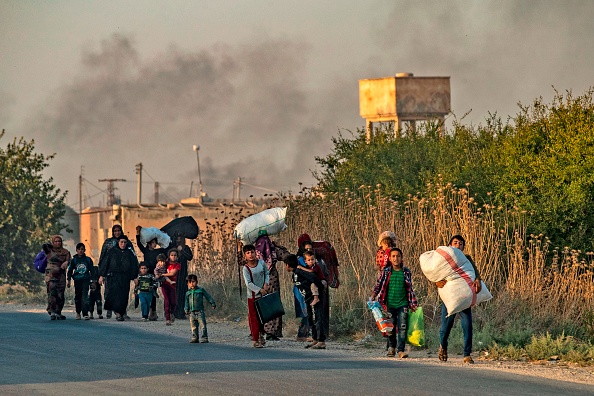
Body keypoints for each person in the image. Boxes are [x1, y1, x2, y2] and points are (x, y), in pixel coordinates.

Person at [436, 234, 482, 364]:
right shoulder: (444, 260)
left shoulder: (466, 259)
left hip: (463, 297)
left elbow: (475, 272)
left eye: (461, 244)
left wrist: (478, 280)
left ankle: (467, 354)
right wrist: (436, 282)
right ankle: (443, 347)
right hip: (449, 297)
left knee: (467, 325)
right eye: (455, 243)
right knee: (446, 327)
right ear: (449, 245)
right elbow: (435, 273)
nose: (458, 245)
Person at [371, 247, 418, 358]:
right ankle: (392, 347)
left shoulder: (406, 272)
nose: (396, 258)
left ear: (401, 258)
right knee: (390, 327)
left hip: (403, 304)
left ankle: (400, 350)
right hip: (389, 305)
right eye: (393, 256)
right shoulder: (386, 272)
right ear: (390, 259)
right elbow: (379, 284)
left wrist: (413, 304)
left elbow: (410, 289)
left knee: (402, 327)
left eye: (398, 256)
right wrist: (373, 295)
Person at [284, 254, 327, 349]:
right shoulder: (295, 273)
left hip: (314, 297)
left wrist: (319, 288)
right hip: (307, 299)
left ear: (287, 265)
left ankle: (321, 341)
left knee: (317, 318)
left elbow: (313, 277)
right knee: (311, 319)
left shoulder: (300, 272)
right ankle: (315, 338)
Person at [99, 235, 139, 321]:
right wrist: (102, 275)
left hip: (125, 277)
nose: (123, 244)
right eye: (121, 242)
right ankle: (117, 314)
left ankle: (121, 312)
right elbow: (105, 263)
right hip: (113, 277)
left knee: (123, 295)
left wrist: (135, 277)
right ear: (118, 242)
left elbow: (134, 265)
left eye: (125, 242)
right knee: (114, 294)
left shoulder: (129, 253)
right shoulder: (112, 252)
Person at [254, 232, 283, 340]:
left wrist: (239, 248)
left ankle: (262, 330)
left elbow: (242, 261)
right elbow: (286, 256)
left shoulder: (254, 252)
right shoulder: (273, 249)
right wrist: (278, 245)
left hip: (259, 281)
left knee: (263, 306)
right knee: (274, 305)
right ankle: (273, 332)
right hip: (272, 280)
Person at [241, 244, 270, 348]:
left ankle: (261, 335)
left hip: (263, 294)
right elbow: (248, 283)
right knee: (254, 318)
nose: (251, 255)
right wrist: (259, 290)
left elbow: (267, 273)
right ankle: (255, 339)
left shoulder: (261, 263)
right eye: (248, 253)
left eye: (252, 252)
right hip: (253, 296)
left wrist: (266, 284)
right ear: (245, 256)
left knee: (262, 317)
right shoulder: (246, 269)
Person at [136, 225, 167, 321]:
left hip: (155, 275)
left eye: (155, 242)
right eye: (153, 242)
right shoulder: (146, 251)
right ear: (149, 243)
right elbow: (139, 244)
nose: (155, 244)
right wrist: (138, 234)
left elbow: (165, 247)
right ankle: (147, 311)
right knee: (145, 292)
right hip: (146, 275)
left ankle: (153, 311)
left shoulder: (159, 251)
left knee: (153, 292)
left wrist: (162, 234)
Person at [184, 274, 216, 343]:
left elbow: (208, 297)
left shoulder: (201, 290)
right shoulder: (188, 293)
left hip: (200, 311)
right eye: (190, 282)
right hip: (192, 312)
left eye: (193, 282)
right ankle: (195, 337)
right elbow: (186, 302)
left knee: (203, 325)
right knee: (193, 326)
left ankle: (204, 338)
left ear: (197, 282)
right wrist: (186, 309)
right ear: (187, 284)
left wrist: (212, 303)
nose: (192, 284)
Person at [45, 235, 71, 320]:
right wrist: (50, 244)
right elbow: (44, 246)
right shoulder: (49, 250)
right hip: (51, 275)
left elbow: (69, 260)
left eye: (59, 241)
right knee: (52, 293)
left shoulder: (65, 252)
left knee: (60, 294)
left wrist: (66, 262)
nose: (57, 243)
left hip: (61, 275)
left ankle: (58, 312)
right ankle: (52, 311)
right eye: (55, 241)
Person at [66, 243, 93, 320]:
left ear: (84, 250)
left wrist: (93, 280)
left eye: (82, 249)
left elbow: (92, 270)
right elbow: (70, 270)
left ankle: (85, 313)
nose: (80, 251)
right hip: (77, 280)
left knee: (85, 296)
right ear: (76, 250)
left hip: (86, 280)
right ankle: (78, 312)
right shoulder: (74, 260)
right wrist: (68, 280)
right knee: (78, 296)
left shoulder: (88, 260)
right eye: (79, 249)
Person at [172, 235, 193, 320]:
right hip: (174, 274)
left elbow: (189, 257)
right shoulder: (173, 248)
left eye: (180, 238)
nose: (179, 240)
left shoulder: (186, 248)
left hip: (183, 274)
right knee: (175, 293)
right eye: (177, 238)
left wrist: (182, 250)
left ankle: (182, 312)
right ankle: (174, 312)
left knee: (183, 293)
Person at [161, 249, 181, 325]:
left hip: (173, 285)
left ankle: (171, 313)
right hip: (165, 284)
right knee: (167, 301)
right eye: (172, 255)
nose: (173, 257)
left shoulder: (177, 265)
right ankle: (167, 318)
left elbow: (173, 273)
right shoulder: (165, 263)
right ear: (169, 256)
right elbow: (159, 268)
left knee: (173, 302)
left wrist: (163, 274)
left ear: (177, 256)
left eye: (175, 255)